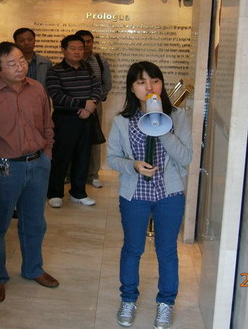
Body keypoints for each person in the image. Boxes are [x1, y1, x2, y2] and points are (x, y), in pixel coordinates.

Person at [0, 42, 58, 303]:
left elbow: (47, 124)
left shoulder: (37, 89)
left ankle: (33, 268)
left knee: (35, 222)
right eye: (11, 64)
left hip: (38, 163)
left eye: (22, 61)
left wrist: (47, 153)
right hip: (3, 168)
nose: (20, 67)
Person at [107, 61, 192, 328]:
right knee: (133, 249)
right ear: (132, 88)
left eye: (155, 80)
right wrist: (132, 165)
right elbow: (112, 158)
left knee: (167, 251)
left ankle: (166, 303)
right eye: (141, 82)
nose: (149, 87)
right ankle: (128, 299)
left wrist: (162, 129)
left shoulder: (177, 116)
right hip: (135, 195)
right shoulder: (122, 121)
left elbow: (186, 157)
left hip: (170, 194)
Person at [45, 35, 101, 207]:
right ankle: (55, 193)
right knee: (61, 157)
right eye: (73, 48)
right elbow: (56, 96)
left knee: (83, 157)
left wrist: (90, 107)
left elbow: (97, 89)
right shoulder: (55, 71)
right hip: (65, 119)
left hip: (86, 119)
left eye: (80, 48)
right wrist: (83, 104)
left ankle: (78, 192)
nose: (77, 52)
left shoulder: (88, 68)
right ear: (63, 50)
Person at [76, 30, 112, 188]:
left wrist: (94, 100)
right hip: (75, 106)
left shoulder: (100, 60)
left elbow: (107, 84)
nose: (86, 44)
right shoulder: (71, 60)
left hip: (95, 106)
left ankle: (93, 175)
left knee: (95, 139)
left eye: (89, 41)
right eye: (82, 41)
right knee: (73, 139)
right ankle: (70, 174)